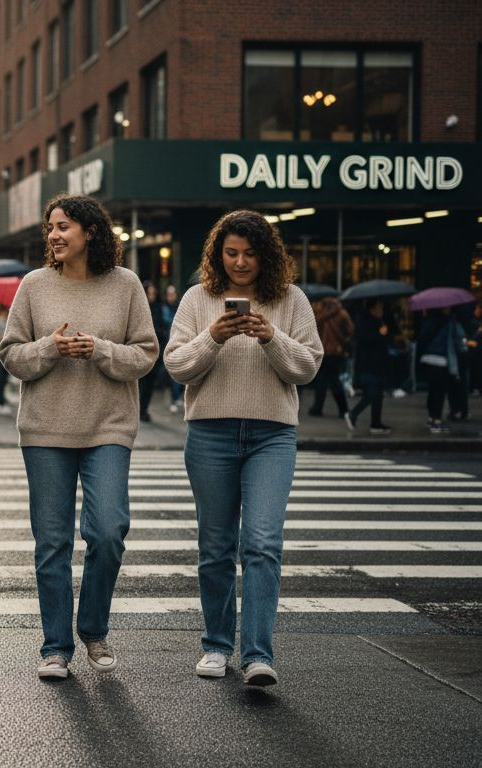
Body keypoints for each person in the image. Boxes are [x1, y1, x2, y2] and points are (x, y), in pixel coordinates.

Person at [0, 194, 157, 680]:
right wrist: (51, 347)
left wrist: (99, 349)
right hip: (46, 428)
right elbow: (10, 354)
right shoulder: (34, 286)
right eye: (50, 228)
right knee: (52, 542)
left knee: (108, 531)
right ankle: (56, 647)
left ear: (90, 231)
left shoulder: (125, 285)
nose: (54, 235)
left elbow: (147, 354)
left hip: (108, 426)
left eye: (63, 226)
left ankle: (93, 628)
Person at [164, 209, 322, 687]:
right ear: (218, 254)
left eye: (250, 253)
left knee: (262, 544)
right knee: (215, 548)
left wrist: (271, 337)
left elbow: (308, 366)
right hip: (210, 433)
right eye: (231, 253)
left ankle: (257, 654)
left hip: (271, 435)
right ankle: (215, 645)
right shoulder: (198, 299)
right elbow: (176, 366)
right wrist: (212, 338)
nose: (240, 262)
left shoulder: (291, 300)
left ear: (266, 255)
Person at [415, 307, 469, 432]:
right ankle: (437, 421)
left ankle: (431, 418)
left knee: (433, 391)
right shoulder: (450, 322)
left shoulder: (428, 320)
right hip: (441, 359)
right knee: (439, 392)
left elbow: (421, 338)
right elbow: (459, 340)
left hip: (427, 359)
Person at [345, 299, 392, 434]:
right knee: (372, 393)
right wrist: (380, 333)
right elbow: (366, 340)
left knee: (378, 394)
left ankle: (376, 423)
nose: (381, 311)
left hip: (378, 364)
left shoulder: (378, 322)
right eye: (379, 308)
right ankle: (353, 414)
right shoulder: (364, 322)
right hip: (368, 365)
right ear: (372, 309)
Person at [308, 297, 354, 418]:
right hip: (337, 352)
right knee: (333, 380)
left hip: (323, 351)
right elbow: (350, 330)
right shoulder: (342, 313)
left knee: (323, 380)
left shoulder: (321, 313)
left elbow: (313, 326)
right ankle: (343, 409)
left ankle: (318, 408)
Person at [138, 282, 168, 422]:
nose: (152, 296)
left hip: (155, 350)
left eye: (153, 294)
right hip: (141, 350)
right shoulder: (141, 307)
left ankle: (144, 409)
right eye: (150, 293)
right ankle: (139, 410)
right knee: (141, 383)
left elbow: (161, 327)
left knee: (149, 383)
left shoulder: (157, 308)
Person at [162, 284, 185, 412]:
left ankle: (176, 397)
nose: (171, 296)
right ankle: (174, 399)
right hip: (167, 344)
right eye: (169, 294)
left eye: (173, 294)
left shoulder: (179, 307)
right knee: (171, 373)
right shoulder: (163, 308)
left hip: (180, 343)